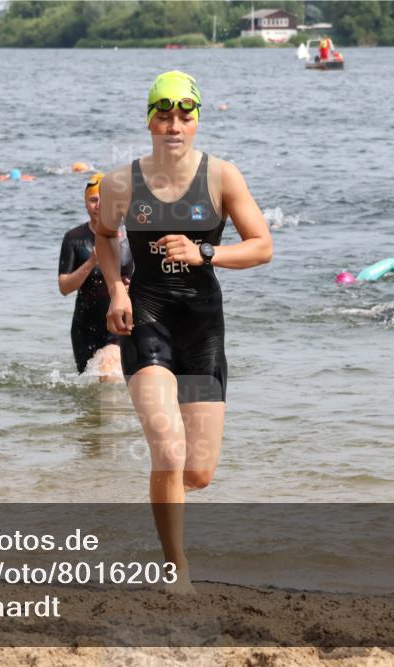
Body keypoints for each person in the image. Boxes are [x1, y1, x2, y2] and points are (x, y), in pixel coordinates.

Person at [96, 71, 272, 592]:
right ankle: (177, 568)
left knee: (196, 472)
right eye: (164, 115)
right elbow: (106, 237)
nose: (174, 125)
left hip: (202, 330)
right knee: (168, 451)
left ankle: (164, 493)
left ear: (196, 120)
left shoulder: (222, 177)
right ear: (149, 119)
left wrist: (206, 252)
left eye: (184, 116)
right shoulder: (120, 182)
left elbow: (262, 246)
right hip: (147, 322)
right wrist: (118, 291)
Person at [59, 174, 134, 379]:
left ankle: (120, 411)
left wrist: (132, 289)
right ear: (85, 203)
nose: (99, 205)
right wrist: (91, 261)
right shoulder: (74, 238)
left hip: (120, 321)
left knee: (111, 372)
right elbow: (64, 287)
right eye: (93, 199)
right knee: (90, 387)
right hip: (85, 326)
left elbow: (148, 276)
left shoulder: (131, 236)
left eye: (104, 199)